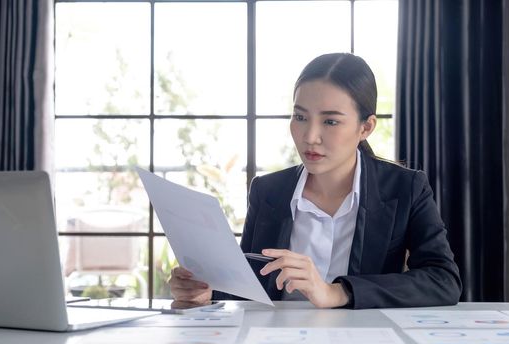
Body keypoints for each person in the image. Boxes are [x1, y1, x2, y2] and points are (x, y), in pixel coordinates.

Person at [168, 53, 462, 309]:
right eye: (300, 117)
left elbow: (443, 279)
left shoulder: (405, 188)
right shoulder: (267, 192)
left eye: (330, 121)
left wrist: (337, 291)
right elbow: (251, 288)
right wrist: (205, 290)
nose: (310, 136)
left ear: (366, 127)